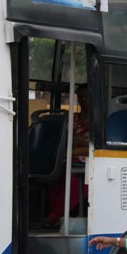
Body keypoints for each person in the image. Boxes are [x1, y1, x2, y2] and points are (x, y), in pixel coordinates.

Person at [42, 84, 89, 228]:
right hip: (68, 157)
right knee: (52, 171)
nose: (83, 100)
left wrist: (76, 146)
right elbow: (66, 141)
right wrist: (79, 143)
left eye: (86, 97)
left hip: (87, 159)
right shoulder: (72, 118)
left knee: (71, 176)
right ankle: (58, 214)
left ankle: (56, 214)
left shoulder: (99, 120)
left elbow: (92, 147)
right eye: (80, 97)